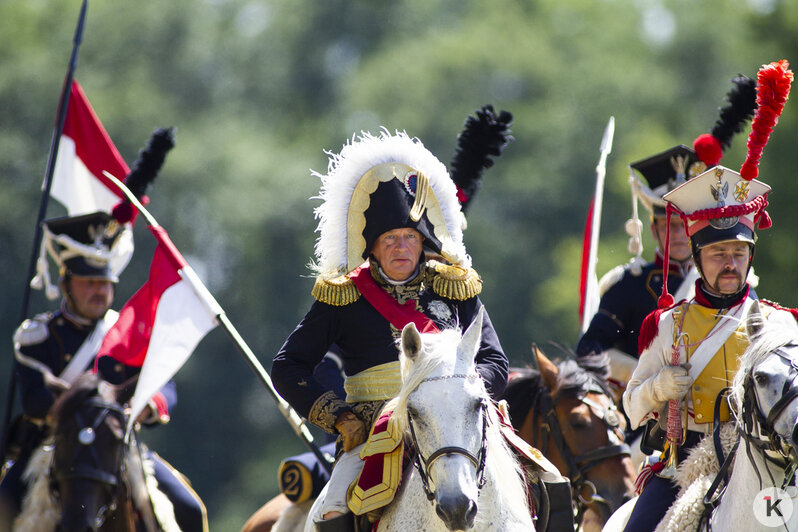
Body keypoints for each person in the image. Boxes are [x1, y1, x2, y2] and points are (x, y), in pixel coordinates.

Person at [271, 130, 509, 531]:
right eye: (390, 239)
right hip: (372, 426)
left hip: (457, 423)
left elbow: (495, 362)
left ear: (422, 242)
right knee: (332, 513)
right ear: (373, 247)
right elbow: (288, 366)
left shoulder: (454, 285)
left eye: (410, 238)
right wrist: (339, 417)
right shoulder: (342, 296)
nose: (402, 247)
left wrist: (460, 389)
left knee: (548, 479)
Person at [622, 62, 795, 531]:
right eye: (717, 252)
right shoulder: (667, 325)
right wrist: (658, 389)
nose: (729, 262)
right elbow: (632, 405)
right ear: (699, 259)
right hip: (686, 465)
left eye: (738, 251)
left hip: (767, 465)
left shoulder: (782, 325)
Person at [0, 211, 208, 532]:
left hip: (117, 445)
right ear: (66, 283)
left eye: (105, 283)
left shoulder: (125, 332)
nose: (99, 290)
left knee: (189, 509)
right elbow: (34, 400)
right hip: (50, 446)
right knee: (4, 503)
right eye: (89, 282)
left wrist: (149, 405)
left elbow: (162, 383)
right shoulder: (38, 335)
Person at [577, 145, 702, 385]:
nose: (677, 233)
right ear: (654, 229)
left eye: (684, 225)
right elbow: (589, 349)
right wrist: (644, 376)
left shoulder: (721, 283)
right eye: (668, 225)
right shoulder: (629, 283)